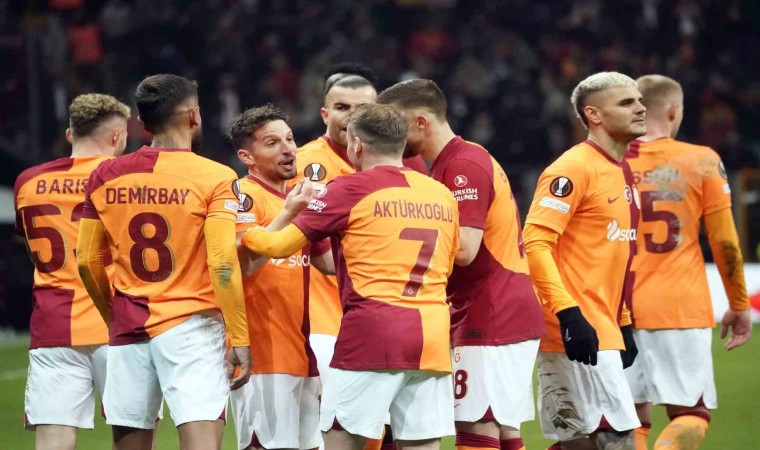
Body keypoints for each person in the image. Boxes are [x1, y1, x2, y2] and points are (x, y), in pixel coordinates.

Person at [241, 103, 460, 449]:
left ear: (356, 145)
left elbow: (278, 246)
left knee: (340, 440)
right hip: (432, 336)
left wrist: (247, 234)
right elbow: (450, 261)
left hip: (373, 332)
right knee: (421, 444)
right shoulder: (442, 194)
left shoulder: (349, 189)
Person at [76, 74, 251, 450]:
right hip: (192, 327)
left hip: (129, 327)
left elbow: (87, 261)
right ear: (194, 116)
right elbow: (222, 263)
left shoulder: (104, 174)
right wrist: (239, 336)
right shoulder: (216, 177)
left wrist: (112, 316)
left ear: (142, 123)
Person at [377, 79, 545, 450]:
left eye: (396, 124)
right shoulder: (456, 162)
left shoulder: (461, 167)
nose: (391, 135)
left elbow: (466, 249)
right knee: (502, 429)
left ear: (421, 122)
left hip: (490, 310)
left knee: (475, 426)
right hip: (499, 306)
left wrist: (396, 246)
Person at [624, 75, 752, 450]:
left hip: (616, 309)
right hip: (678, 306)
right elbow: (724, 240)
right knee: (691, 413)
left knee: (631, 419)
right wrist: (739, 303)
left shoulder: (607, 162)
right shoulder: (700, 160)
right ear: (674, 110)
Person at [523, 71, 646, 450]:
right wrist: (568, 314)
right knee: (615, 438)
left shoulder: (621, 170)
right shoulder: (573, 168)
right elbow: (535, 242)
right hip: (574, 325)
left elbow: (615, 256)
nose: (640, 108)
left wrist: (623, 322)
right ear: (594, 114)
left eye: (640, 100)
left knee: (580, 441)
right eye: (627, 102)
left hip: (602, 324)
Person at [15, 93, 129, 450]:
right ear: (116, 137)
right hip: (119, 322)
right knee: (132, 435)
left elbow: (29, 245)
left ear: (70, 134)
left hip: (53, 324)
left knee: (54, 439)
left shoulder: (28, 181)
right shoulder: (124, 179)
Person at [226, 104, 334, 450]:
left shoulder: (295, 198)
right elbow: (243, 266)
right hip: (261, 351)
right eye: (272, 143)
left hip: (300, 349)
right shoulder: (241, 195)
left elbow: (329, 264)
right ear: (247, 156)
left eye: (289, 139)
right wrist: (289, 214)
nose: (288, 149)